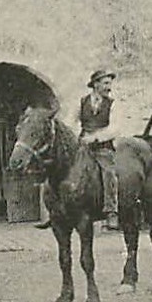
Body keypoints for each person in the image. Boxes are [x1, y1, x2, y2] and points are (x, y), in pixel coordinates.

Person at [38, 68, 121, 230]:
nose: (108, 87)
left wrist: (96, 137)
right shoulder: (82, 102)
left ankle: (111, 210)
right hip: (82, 145)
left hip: (102, 148)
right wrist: (74, 138)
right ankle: (54, 210)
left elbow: (115, 128)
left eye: (109, 84)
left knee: (108, 172)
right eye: (105, 83)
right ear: (95, 85)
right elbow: (70, 121)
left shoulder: (113, 104)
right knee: (55, 168)